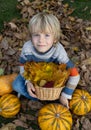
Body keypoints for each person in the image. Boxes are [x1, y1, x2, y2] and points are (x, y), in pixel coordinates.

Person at [13, 12, 80, 108]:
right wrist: (27, 81)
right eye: (36, 35)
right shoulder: (27, 49)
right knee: (16, 85)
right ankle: (40, 98)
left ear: (55, 39)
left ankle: (55, 98)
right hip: (34, 77)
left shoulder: (58, 52)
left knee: (65, 83)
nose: (41, 40)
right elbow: (22, 64)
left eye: (47, 35)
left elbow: (75, 75)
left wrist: (65, 95)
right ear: (31, 37)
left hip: (53, 80)